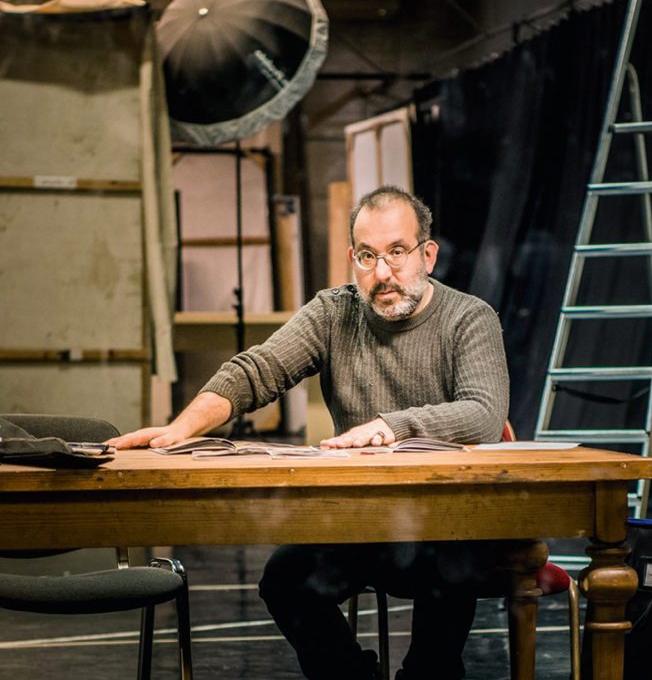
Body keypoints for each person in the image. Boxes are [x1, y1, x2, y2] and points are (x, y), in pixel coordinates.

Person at [108, 185, 510, 680]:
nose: (382, 273)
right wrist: (180, 428)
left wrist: (391, 426)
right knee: (286, 580)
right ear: (352, 258)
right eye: (367, 256)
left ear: (427, 254)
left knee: (452, 571)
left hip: (448, 522)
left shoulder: (469, 317)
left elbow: (484, 413)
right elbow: (256, 370)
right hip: (362, 522)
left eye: (397, 252)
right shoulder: (334, 312)